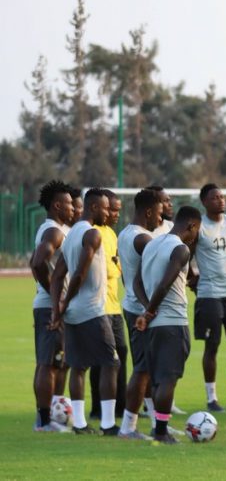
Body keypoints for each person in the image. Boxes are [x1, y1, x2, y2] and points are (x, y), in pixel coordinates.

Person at [49, 188, 119, 435]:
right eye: (106, 208)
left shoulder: (71, 235)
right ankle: (109, 424)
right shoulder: (92, 234)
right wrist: (64, 302)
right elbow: (78, 274)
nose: (109, 212)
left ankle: (79, 424)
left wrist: (58, 309)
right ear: (93, 208)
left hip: (74, 314)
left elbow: (57, 275)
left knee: (78, 366)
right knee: (111, 363)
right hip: (92, 311)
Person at [133, 206, 202, 444]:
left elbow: (135, 282)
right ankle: (161, 432)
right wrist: (150, 310)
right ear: (191, 226)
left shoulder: (152, 244)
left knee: (157, 378)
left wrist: (147, 311)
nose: (196, 237)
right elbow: (164, 284)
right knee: (168, 379)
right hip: (172, 322)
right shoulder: (180, 250)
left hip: (154, 325)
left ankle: (158, 426)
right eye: (196, 231)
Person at [192, 183, 226, 413]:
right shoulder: (198, 227)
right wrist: (191, 277)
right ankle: (211, 399)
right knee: (212, 346)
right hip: (209, 294)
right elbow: (185, 254)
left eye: (222, 196)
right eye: (215, 197)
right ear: (205, 202)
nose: (221, 200)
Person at [116, 189, 165, 440]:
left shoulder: (125, 233)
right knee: (143, 369)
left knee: (147, 369)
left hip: (131, 305)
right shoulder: (144, 240)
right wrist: (150, 308)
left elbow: (127, 276)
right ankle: (128, 427)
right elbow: (150, 277)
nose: (161, 217)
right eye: (159, 212)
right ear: (148, 212)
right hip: (141, 311)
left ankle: (157, 425)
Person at [29, 180, 75, 432]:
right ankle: (44, 421)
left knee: (56, 362)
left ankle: (51, 417)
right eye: (68, 204)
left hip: (50, 305)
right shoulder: (54, 232)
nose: (72, 208)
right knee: (48, 363)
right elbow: (37, 263)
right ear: (57, 206)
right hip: (50, 307)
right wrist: (56, 297)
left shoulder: (50, 229)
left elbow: (31, 261)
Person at [88, 190, 127, 420]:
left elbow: (117, 266)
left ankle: (120, 407)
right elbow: (104, 269)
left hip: (115, 307)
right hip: (99, 307)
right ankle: (97, 409)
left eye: (118, 211)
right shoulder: (92, 233)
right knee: (102, 360)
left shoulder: (112, 234)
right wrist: (115, 267)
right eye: (112, 209)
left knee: (120, 354)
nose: (115, 214)